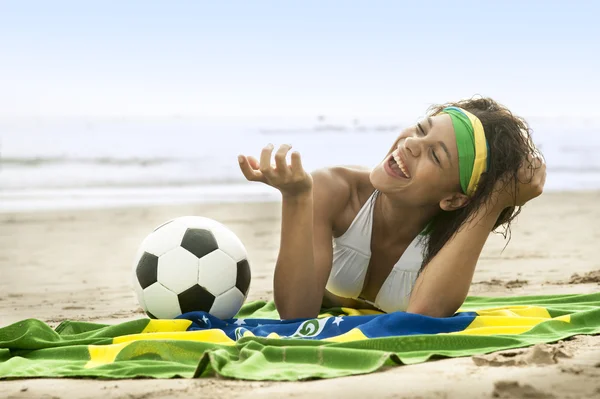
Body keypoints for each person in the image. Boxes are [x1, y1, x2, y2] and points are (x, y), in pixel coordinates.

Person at [237, 97, 546, 320]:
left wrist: (494, 202)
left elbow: (423, 317)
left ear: (454, 200)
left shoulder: (453, 234)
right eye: (422, 129)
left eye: (435, 156)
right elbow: (295, 313)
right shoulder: (334, 190)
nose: (411, 144)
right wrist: (296, 198)